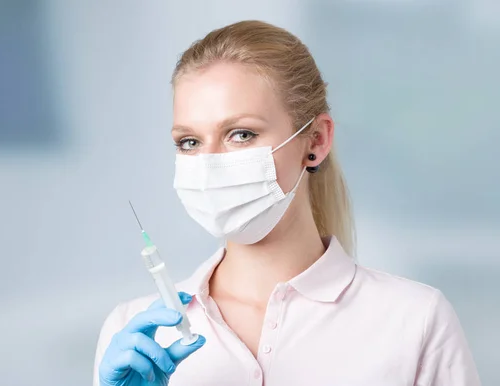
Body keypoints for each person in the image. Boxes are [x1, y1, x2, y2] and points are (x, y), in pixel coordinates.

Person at [93, 20, 480, 386]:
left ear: (315, 142)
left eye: (240, 134)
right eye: (189, 142)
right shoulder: (140, 333)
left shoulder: (414, 321)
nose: (208, 164)